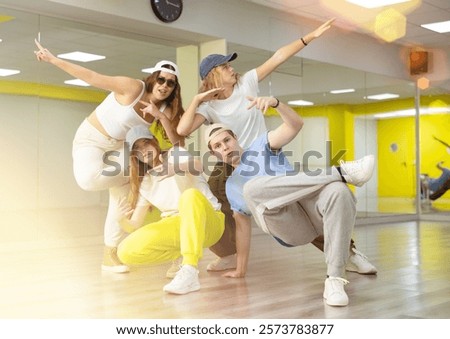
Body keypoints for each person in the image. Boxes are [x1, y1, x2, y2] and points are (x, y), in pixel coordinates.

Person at [176, 18, 377, 275]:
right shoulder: (209, 106)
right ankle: (229, 253)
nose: (231, 69)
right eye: (225, 66)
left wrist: (310, 37)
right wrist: (196, 100)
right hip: (232, 160)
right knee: (210, 195)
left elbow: (278, 57)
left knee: (299, 204)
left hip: (262, 154)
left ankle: (347, 253)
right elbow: (183, 130)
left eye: (230, 65)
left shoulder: (246, 83)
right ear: (214, 75)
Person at [205, 96, 375, 306]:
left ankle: (334, 279)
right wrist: (240, 269)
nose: (225, 147)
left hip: (311, 207)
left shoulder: (262, 144)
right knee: (252, 188)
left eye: (227, 140)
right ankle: (342, 172)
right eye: (218, 146)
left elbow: (295, 125)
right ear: (214, 154)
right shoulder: (231, 186)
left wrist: (276, 104)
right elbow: (242, 228)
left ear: (236, 138)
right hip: (288, 226)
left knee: (338, 191)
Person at [34, 40, 184, 273]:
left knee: (123, 193)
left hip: (119, 146)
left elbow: (178, 141)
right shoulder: (132, 88)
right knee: (88, 180)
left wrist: (160, 116)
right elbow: (92, 76)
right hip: (90, 140)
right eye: (161, 79)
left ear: (174, 88)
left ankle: (110, 254)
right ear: (154, 78)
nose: (165, 85)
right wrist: (54, 60)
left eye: (171, 83)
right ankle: (135, 182)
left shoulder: (166, 109)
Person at [116, 125, 225, 294]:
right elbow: (135, 224)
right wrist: (121, 219)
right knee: (125, 251)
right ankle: (180, 255)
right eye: (137, 149)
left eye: (146, 144)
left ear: (154, 142)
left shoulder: (175, 154)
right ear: (134, 156)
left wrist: (175, 167)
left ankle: (189, 269)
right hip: (177, 225)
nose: (143, 151)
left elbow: (198, 166)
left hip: (209, 222)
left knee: (189, 196)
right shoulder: (146, 182)